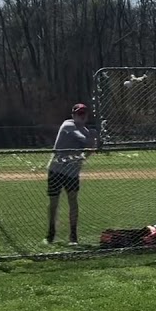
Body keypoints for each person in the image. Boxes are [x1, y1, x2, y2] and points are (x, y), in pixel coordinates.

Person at [46, 102, 98, 245]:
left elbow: (87, 153)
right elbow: (83, 139)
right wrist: (94, 137)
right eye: (78, 114)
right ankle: (51, 233)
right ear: (73, 115)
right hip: (56, 170)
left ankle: (73, 235)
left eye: (83, 114)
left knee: (73, 202)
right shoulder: (68, 125)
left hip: (72, 172)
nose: (81, 116)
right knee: (54, 203)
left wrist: (94, 143)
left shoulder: (86, 131)